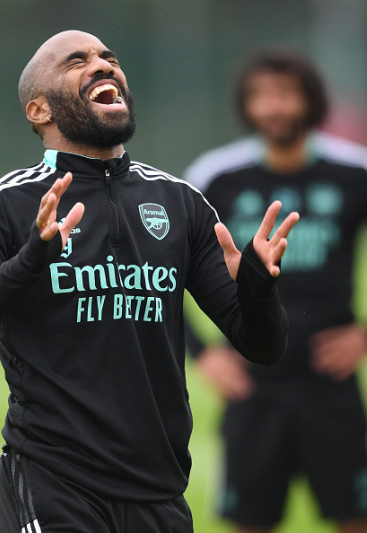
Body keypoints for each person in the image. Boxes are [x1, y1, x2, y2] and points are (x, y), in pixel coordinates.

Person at [0, 31, 298, 533]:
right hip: (54, 481)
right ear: (39, 111)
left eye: (108, 57)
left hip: (158, 489)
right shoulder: (5, 203)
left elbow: (262, 346)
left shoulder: (180, 203)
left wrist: (258, 289)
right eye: (77, 61)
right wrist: (29, 260)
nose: (102, 64)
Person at [184, 49, 367, 533]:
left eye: (286, 94)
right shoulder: (214, 178)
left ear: (311, 100)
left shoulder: (355, 172)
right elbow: (161, 275)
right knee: (250, 522)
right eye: (261, 96)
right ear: (246, 106)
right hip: (252, 385)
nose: (274, 107)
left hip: (332, 384)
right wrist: (201, 353)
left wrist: (365, 335)